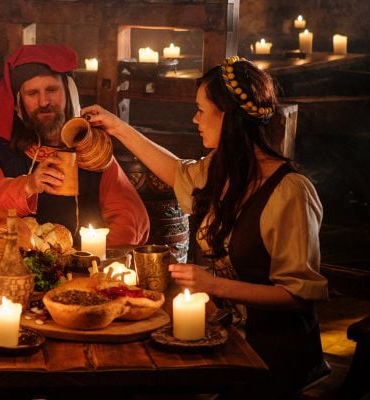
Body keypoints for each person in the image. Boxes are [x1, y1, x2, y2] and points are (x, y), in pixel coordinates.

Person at [85, 56, 329, 397]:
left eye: (201, 110)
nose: (194, 119)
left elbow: (299, 296)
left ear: (226, 115)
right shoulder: (221, 168)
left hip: (273, 357)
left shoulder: (290, 192)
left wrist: (212, 284)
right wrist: (117, 128)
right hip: (225, 335)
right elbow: (177, 174)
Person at [0, 44, 149, 246]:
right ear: (19, 102)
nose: (44, 102)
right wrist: (28, 186)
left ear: (69, 93)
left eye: (51, 90)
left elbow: (131, 218)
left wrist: (99, 258)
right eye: (32, 93)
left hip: (82, 269)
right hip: (15, 268)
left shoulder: (90, 149)